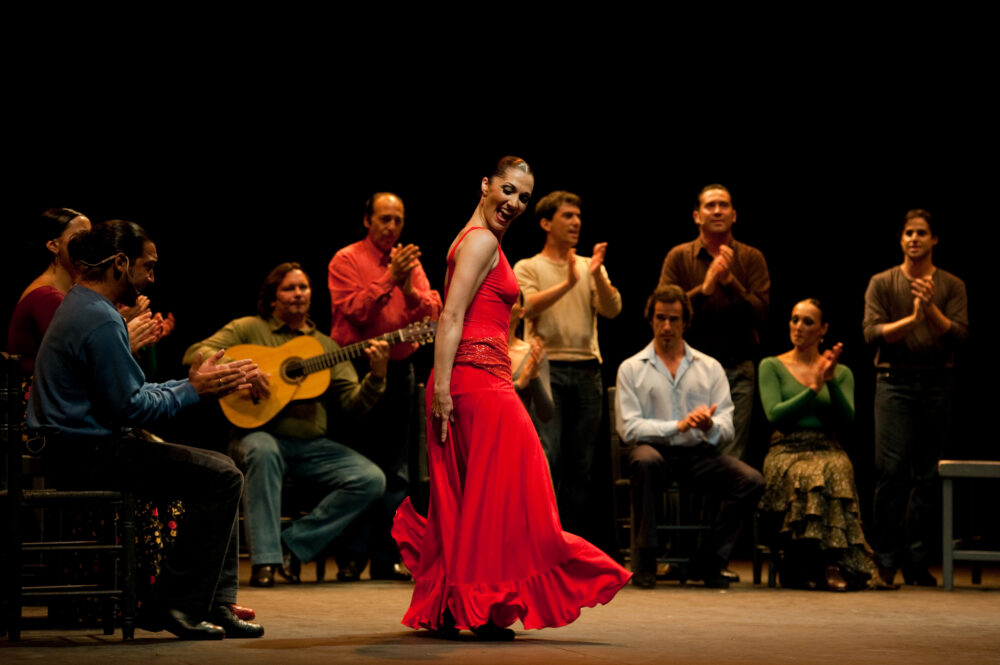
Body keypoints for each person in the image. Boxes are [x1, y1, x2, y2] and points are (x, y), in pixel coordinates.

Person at [393, 156, 630, 641]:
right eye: (507, 190)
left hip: (479, 378)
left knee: (481, 499)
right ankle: (483, 599)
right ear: (484, 185)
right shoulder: (480, 241)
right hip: (476, 382)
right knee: (517, 491)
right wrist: (440, 389)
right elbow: (452, 316)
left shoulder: (480, 239)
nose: (514, 202)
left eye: (523, 196)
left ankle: (470, 603)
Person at [27, 220, 264, 639]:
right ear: (120, 263)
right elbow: (133, 407)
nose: (152, 278)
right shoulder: (98, 318)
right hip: (87, 453)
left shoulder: (86, 306)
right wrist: (193, 390)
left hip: (86, 445)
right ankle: (176, 603)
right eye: (147, 267)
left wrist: (193, 385)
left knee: (222, 471)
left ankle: (214, 601)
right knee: (223, 476)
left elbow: (133, 392)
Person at [183, 263, 390, 588]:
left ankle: (291, 544)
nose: (298, 294)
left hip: (311, 446)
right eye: (289, 288)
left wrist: (376, 377)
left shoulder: (325, 346)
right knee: (263, 452)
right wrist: (243, 371)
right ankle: (264, 562)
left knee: (371, 479)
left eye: (303, 288)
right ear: (272, 297)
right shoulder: (249, 328)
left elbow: (353, 405)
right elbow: (196, 354)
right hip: (255, 436)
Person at [616, 285, 764, 589]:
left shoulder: (709, 368)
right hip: (654, 452)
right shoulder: (632, 368)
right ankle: (647, 557)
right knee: (643, 461)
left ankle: (709, 559)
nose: (667, 326)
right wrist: (676, 426)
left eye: (674, 319)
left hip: (698, 454)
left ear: (686, 322)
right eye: (660, 318)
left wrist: (709, 426)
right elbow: (629, 428)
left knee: (750, 481)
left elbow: (727, 425)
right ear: (651, 320)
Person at [327, 192, 442, 581]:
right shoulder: (345, 260)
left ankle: (384, 556)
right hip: (356, 368)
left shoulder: (410, 263)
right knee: (361, 464)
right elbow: (356, 312)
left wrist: (408, 286)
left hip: (400, 368)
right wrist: (390, 277)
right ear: (367, 220)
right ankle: (351, 556)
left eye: (398, 220)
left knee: (396, 469)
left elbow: (431, 311)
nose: (392, 226)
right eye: (385, 219)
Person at [863, 209, 968, 586]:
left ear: (934, 239)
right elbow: (872, 334)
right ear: (900, 238)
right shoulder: (883, 282)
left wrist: (931, 310)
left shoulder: (952, 285)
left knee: (927, 476)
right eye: (908, 233)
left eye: (922, 233)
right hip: (894, 382)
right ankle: (886, 559)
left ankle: (917, 560)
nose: (914, 239)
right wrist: (913, 317)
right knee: (891, 473)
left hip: (938, 383)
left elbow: (958, 335)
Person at [759, 299, 893, 591]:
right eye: (795, 319)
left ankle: (831, 563)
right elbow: (775, 415)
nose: (798, 327)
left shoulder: (841, 372)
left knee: (838, 467)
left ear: (823, 329)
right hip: (786, 449)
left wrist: (829, 382)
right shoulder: (771, 365)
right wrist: (812, 390)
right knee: (808, 474)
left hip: (826, 446)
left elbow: (847, 419)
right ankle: (802, 561)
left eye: (808, 321)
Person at [512, 190, 621, 534]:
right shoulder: (528, 266)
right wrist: (569, 282)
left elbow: (613, 309)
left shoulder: (588, 265)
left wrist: (596, 274)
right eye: (567, 216)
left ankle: (566, 542)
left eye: (578, 216)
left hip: (587, 370)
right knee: (547, 458)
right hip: (547, 371)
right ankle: (541, 538)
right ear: (546, 223)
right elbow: (525, 305)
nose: (576, 222)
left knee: (580, 466)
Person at [658, 184, 770, 461]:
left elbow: (761, 313)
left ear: (734, 215)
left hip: (738, 367)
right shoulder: (679, 256)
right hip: (689, 369)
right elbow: (662, 312)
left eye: (724, 205)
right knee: (693, 453)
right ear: (697, 216)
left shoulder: (751, 258)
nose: (717, 210)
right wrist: (705, 289)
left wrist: (729, 282)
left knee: (732, 456)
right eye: (710, 205)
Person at [508, 290, 554, 424]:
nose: (507, 303)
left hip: (520, 432)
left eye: (513, 300)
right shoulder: (484, 351)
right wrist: (519, 384)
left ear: (522, 312)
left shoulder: (531, 354)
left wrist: (534, 376)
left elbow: (547, 414)